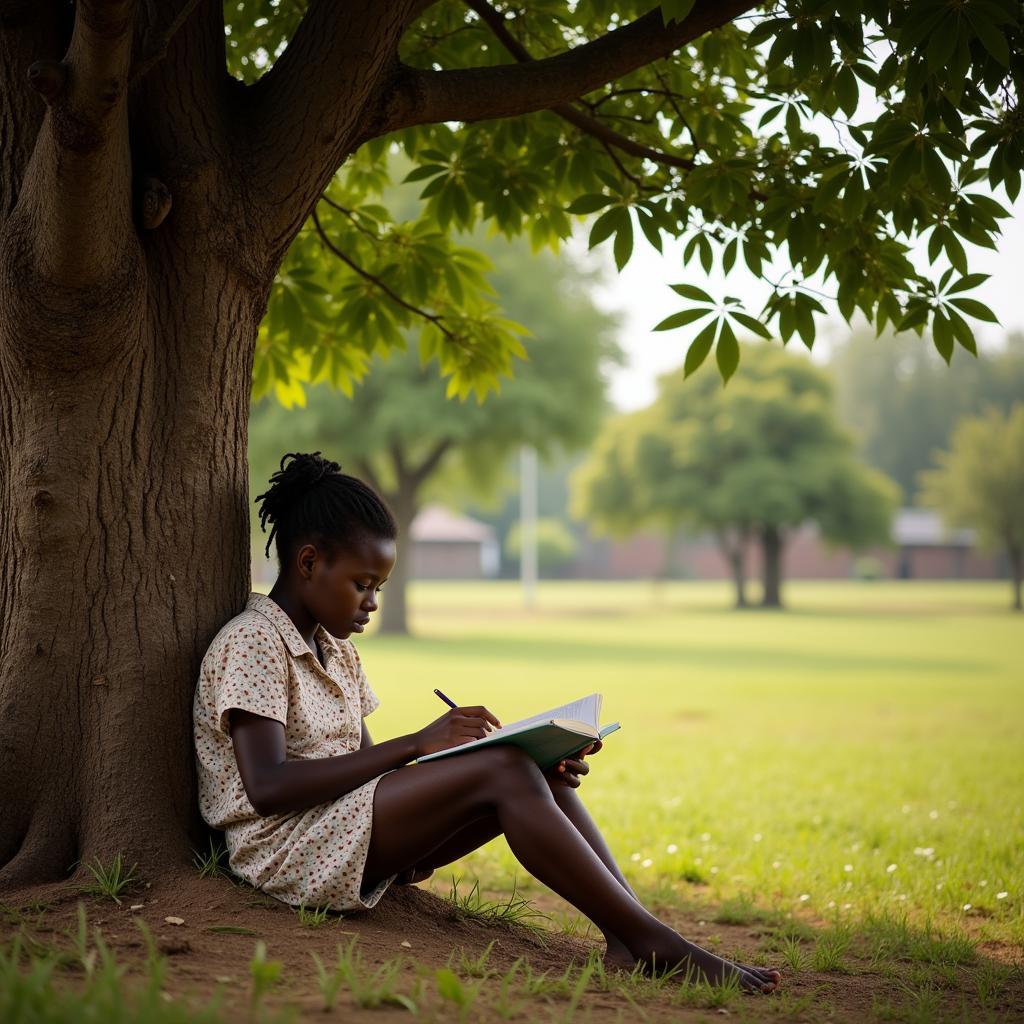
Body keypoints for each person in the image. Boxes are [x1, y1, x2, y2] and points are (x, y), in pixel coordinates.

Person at [193, 451, 780, 994]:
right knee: (502, 769)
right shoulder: (253, 643)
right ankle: (654, 941)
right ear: (308, 562)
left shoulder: (337, 649)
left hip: (344, 831)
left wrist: (502, 762)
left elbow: (365, 772)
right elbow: (267, 788)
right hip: (286, 850)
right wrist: (417, 744)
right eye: (362, 584)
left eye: (380, 587)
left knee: (528, 768)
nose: (371, 601)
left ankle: (632, 935)